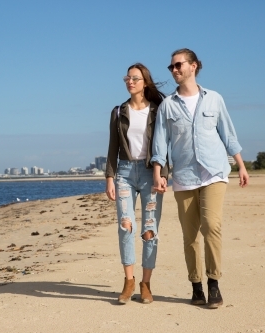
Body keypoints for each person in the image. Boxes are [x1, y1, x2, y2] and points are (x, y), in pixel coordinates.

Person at [151, 48, 249, 309]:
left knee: (212, 226)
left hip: (214, 173)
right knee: (190, 235)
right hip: (183, 176)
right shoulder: (168, 106)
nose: (174, 70)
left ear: (194, 66)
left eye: (178, 65)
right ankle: (196, 286)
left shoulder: (214, 99)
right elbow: (160, 143)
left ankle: (214, 284)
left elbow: (228, 133)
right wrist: (159, 173)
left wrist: (241, 165)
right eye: (171, 66)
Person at [105, 63, 168, 304]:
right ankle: (129, 281)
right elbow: (112, 146)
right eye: (127, 78)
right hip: (124, 172)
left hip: (151, 172)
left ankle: (146, 283)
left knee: (149, 231)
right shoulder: (118, 111)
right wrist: (109, 177)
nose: (130, 81)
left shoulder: (157, 110)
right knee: (125, 226)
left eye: (135, 78)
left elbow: (165, 145)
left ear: (145, 82)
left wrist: (163, 174)